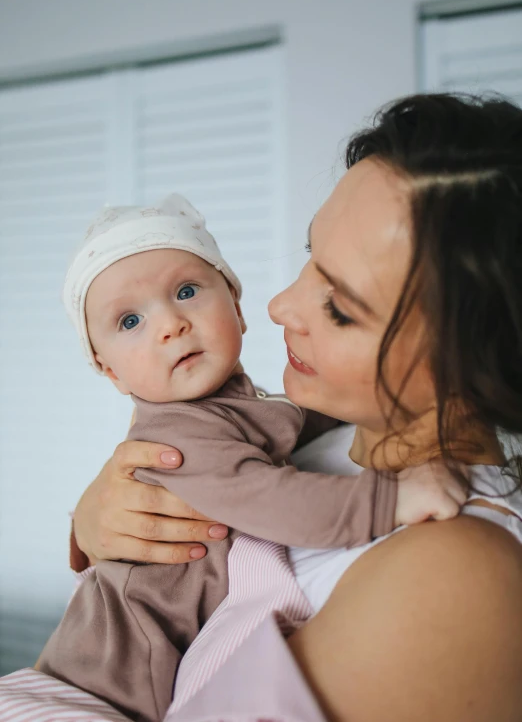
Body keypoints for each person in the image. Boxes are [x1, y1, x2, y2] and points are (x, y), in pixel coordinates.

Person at [5, 92, 519, 722]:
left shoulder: (455, 574)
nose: (280, 305)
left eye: (341, 306)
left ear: (474, 356)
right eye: (310, 258)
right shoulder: (324, 432)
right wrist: (92, 524)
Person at [37, 196, 461, 722]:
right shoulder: (179, 436)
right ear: (112, 374)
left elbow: (293, 421)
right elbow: (273, 500)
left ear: (236, 306)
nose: (170, 324)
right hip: (98, 685)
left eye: (187, 292)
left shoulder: (241, 404)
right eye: (129, 321)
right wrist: (392, 499)